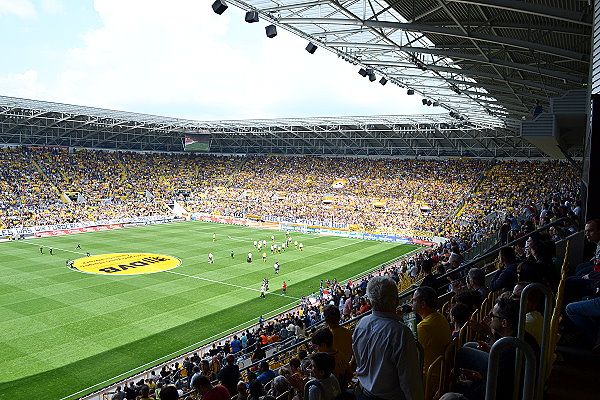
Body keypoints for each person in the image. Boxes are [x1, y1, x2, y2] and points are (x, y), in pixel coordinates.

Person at [352, 276, 424, 400]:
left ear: (369, 302)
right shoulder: (401, 333)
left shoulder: (361, 324)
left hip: (361, 393)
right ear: (396, 301)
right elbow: (410, 381)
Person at [412, 286, 452, 376]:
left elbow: (407, 354)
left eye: (414, 300)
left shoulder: (423, 328)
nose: (412, 303)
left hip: (428, 380)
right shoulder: (440, 318)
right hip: (442, 375)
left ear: (423, 304)